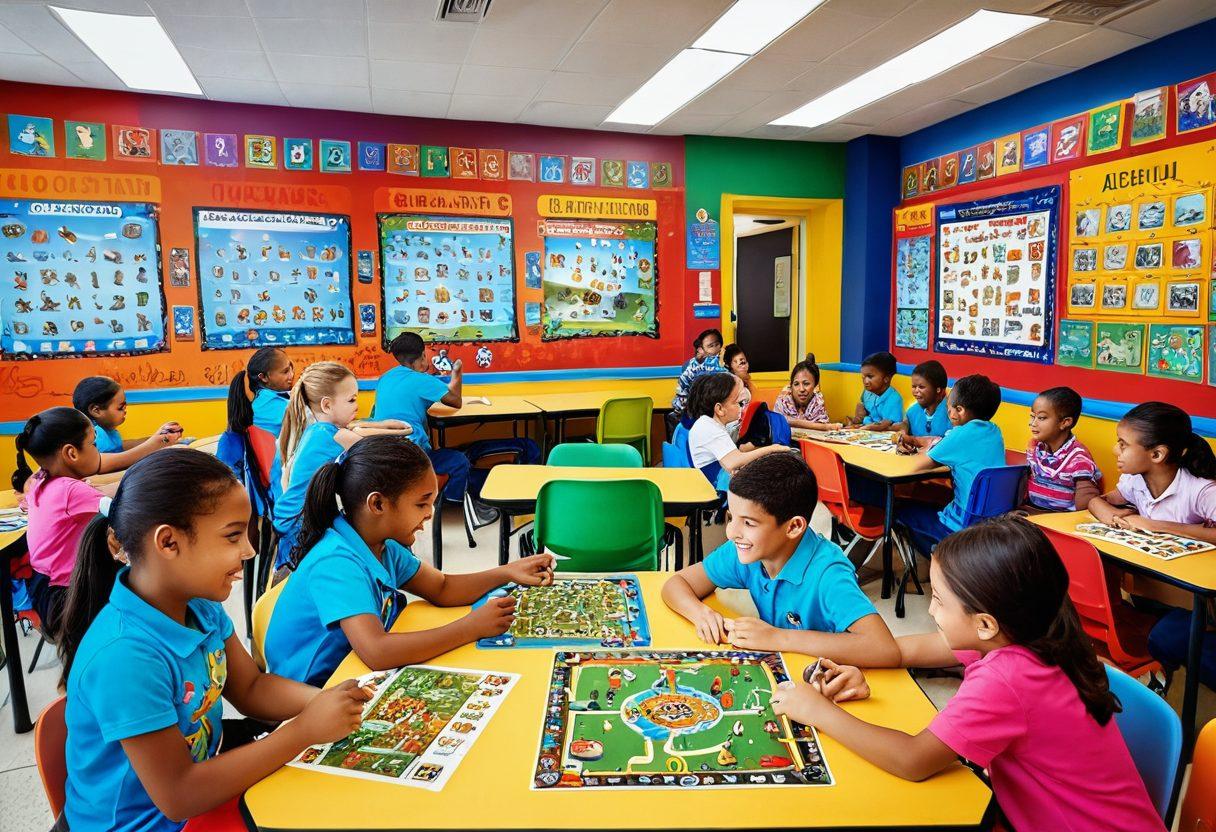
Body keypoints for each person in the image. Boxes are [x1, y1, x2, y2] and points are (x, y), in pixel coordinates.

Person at [769, 518, 1164, 832]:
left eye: (938, 599)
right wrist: (858, 665)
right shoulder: (1029, 632)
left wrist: (818, 710)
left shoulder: (1007, 677)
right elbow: (903, 651)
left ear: (986, 623)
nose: (931, 610)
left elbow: (913, 760)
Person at [57, 450, 371, 832]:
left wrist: (323, 702)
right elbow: (179, 796)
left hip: (206, 786)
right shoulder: (125, 656)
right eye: (233, 536)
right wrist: (303, 730)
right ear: (168, 543)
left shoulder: (199, 604)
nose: (250, 551)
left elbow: (251, 686)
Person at [264, 436, 557, 686]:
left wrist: (507, 572)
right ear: (377, 504)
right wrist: (470, 627)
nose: (430, 514)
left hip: (349, 674)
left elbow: (441, 588)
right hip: (310, 695)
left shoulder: (383, 544)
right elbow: (377, 652)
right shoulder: (337, 561)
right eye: (421, 503)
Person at [662, 453, 899, 666]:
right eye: (731, 517)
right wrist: (700, 614)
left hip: (833, 683)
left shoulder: (828, 574)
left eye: (748, 523)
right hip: (786, 673)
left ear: (794, 526)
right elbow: (676, 584)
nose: (732, 532)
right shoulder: (746, 550)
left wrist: (778, 637)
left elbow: (883, 649)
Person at [373, 332, 538, 527]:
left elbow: (378, 412)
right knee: (459, 462)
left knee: (458, 459)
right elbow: (455, 401)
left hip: (382, 452)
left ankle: (472, 495)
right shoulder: (420, 379)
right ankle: (457, 505)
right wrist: (457, 374)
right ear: (423, 355)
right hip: (411, 456)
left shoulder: (385, 379)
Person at [273, 361, 408, 567]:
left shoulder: (317, 430)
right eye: (352, 400)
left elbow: (356, 431)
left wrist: (381, 425)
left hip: (290, 519)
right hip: (300, 527)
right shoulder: (333, 436)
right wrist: (397, 431)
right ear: (327, 405)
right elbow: (377, 451)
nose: (357, 405)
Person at [12, 407, 119, 639]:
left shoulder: (41, 478)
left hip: (42, 590)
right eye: (93, 443)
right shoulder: (70, 490)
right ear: (71, 453)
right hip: (67, 600)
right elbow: (120, 512)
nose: (98, 449)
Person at [894, 374, 1006, 554]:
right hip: (989, 524)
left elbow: (915, 467)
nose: (948, 412)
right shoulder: (994, 432)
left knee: (900, 508)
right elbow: (944, 443)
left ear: (959, 410)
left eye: (948, 408)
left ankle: (939, 558)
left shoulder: (960, 434)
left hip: (959, 527)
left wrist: (911, 451)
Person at [1088, 401, 1216, 543]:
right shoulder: (1134, 479)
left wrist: (1155, 526)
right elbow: (1099, 501)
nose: (1115, 450)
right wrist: (1112, 514)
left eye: (1123, 445)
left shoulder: (1203, 490)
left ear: (1156, 455)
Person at [218, 347, 296, 506]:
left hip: (274, 490)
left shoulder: (265, 402)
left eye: (291, 368)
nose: (291, 375)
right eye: (285, 371)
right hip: (283, 489)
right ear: (264, 377)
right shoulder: (273, 406)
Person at [686, 372, 790, 490]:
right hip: (716, 489)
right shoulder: (708, 427)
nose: (742, 409)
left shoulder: (713, 424)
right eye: (740, 404)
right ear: (720, 409)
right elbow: (733, 462)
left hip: (718, 482)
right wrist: (772, 449)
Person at [72, 376, 183, 472]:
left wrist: (158, 438)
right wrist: (157, 442)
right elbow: (113, 462)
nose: (125, 411)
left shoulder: (109, 431)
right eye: (120, 408)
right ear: (96, 410)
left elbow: (121, 446)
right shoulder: (95, 436)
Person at [1024, 386, 1101, 512]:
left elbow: (1086, 500)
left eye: (1042, 418)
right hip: (1033, 512)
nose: (1032, 423)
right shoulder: (1035, 448)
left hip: (1060, 518)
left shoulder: (1078, 458)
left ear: (1065, 422)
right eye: (1033, 416)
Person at [670, 328, 726, 427]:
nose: (716, 349)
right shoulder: (695, 366)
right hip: (697, 414)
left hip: (720, 412)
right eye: (710, 346)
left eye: (717, 345)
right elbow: (682, 389)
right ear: (701, 350)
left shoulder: (726, 362)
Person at [773, 354, 842, 431]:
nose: (801, 389)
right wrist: (825, 427)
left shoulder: (817, 402)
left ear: (815, 386)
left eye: (806, 384)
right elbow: (778, 421)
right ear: (791, 385)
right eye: (796, 384)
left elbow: (822, 429)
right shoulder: (784, 398)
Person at [894, 360, 950, 440]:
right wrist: (903, 431)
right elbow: (906, 424)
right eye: (914, 386)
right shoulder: (913, 411)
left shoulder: (952, 414)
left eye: (921, 387)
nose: (916, 391)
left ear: (938, 389)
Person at [847, 351, 902, 431]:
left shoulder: (894, 399)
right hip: (867, 429)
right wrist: (855, 423)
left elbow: (884, 424)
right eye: (863, 377)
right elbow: (862, 406)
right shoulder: (867, 392)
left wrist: (864, 428)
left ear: (886, 378)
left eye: (870, 376)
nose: (865, 381)